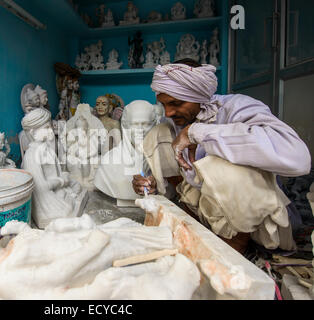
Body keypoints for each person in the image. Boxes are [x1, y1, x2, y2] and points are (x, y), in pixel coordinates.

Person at [132, 58, 311, 253]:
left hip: (258, 225)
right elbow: (185, 177)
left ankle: (235, 246)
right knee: (158, 134)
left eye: (176, 103)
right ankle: (189, 221)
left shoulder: (237, 107)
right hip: (206, 211)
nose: (168, 112)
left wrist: (197, 133)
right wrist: (152, 185)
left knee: (222, 164)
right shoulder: (174, 121)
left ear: (198, 95)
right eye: (164, 104)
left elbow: (299, 159)